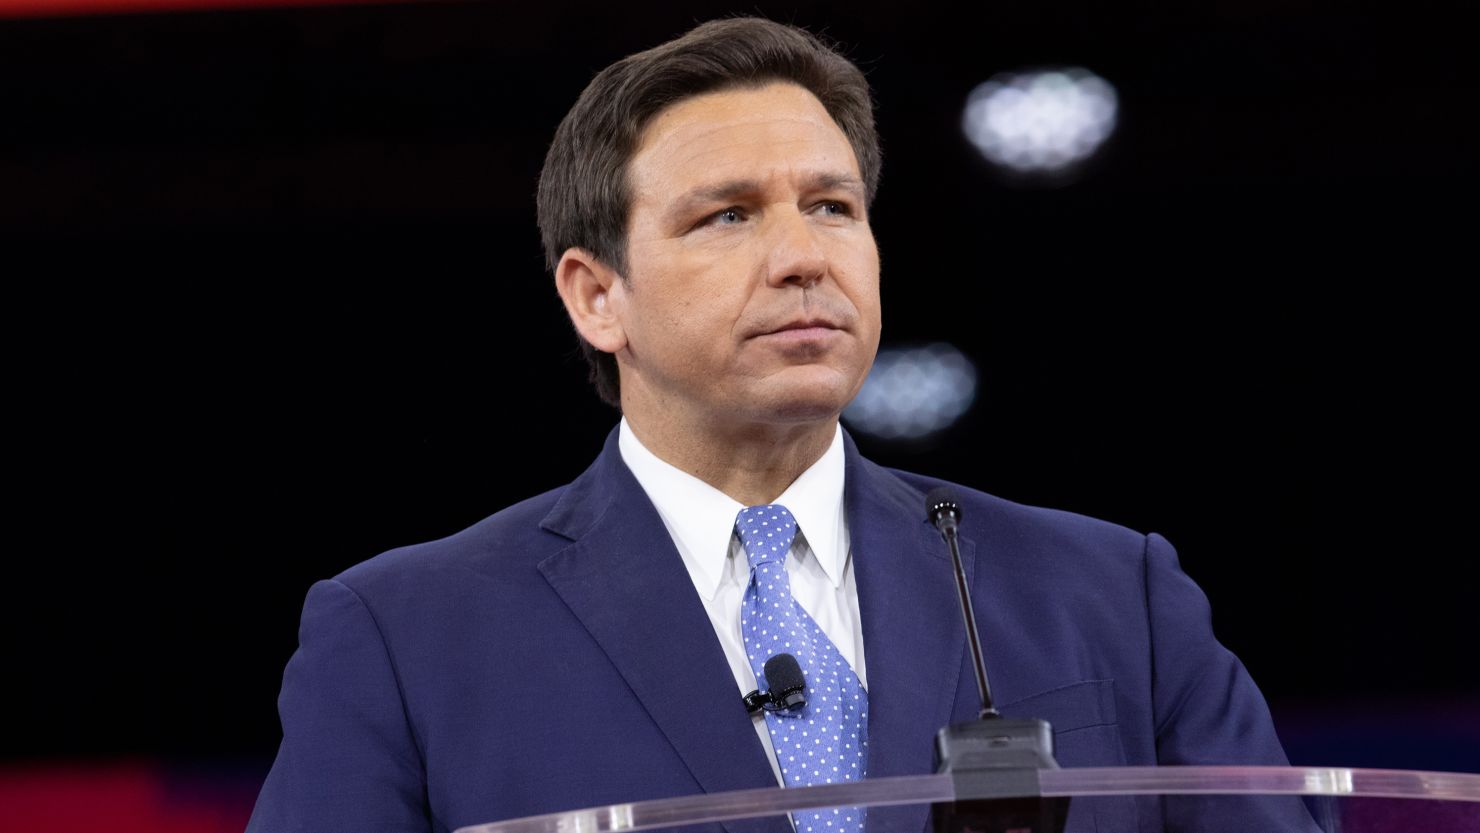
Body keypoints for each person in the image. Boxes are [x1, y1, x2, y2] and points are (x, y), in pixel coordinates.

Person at [247, 16, 1301, 833]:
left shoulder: (1111, 594)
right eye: (729, 214)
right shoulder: (407, 637)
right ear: (594, 295)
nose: (805, 256)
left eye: (833, 206)